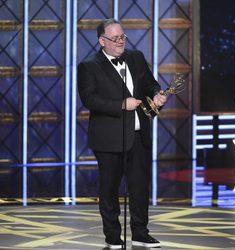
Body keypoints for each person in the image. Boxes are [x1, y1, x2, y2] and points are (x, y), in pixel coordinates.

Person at [77, 18, 167, 249]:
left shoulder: (135, 58)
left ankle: (140, 233)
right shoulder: (89, 66)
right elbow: (89, 99)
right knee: (109, 189)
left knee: (139, 187)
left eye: (122, 37)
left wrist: (158, 95)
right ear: (102, 41)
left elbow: (150, 84)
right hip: (109, 138)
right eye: (115, 38)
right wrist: (120, 104)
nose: (120, 42)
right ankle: (113, 237)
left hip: (138, 135)